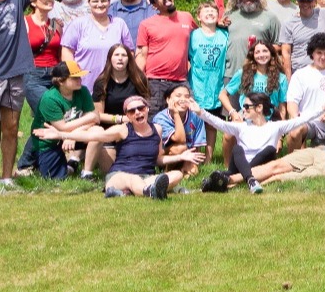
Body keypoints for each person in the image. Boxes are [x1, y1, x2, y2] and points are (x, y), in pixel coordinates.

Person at [31, 96, 200, 199]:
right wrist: (61, 135)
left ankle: (143, 189)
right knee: (132, 179)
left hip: (146, 175)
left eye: (141, 108)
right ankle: (150, 191)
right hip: (119, 176)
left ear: (147, 109)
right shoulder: (123, 130)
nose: (137, 113)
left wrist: (181, 157)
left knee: (176, 174)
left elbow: (158, 159)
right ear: (127, 116)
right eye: (132, 111)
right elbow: (93, 136)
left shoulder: (157, 129)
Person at [198, 90, 313, 193]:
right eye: (243, 106)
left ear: (259, 108)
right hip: (240, 165)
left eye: (247, 106)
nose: (243, 109)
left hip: (260, 165)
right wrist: (200, 112)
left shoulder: (275, 127)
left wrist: (323, 109)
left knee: (270, 150)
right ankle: (250, 180)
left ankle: (221, 179)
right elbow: (219, 123)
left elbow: (302, 120)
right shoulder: (242, 127)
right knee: (237, 149)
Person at [85, 43, 151, 176]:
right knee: (112, 172)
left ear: (129, 59)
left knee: (133, 172)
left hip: (133, 129)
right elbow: (98, 115)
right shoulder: (101, 82)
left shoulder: (139, 79)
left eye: (124, 55)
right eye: (116, 55)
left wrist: (133, 118)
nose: (120, 58)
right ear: (110, 58)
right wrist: (120, 119)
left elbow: (145, 107)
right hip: (109, 131)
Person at [26, 62, 98, 180]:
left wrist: (72, 136)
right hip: (49, 142)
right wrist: (88, 118)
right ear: (60, 81)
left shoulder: (83, 91)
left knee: (97, 130)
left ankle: (87, 173)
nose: (79, 80)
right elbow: (63, 127)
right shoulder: (50, 98)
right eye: (74, 78)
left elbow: (94, 120)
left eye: (80, 76)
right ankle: (71, 164)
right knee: (55, 178)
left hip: (70, 135)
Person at [19, 0, 63, 173]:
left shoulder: (56, 24)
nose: (48, 0)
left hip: (54, 74)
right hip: (33, 74)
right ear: (33, 2)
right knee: (49, 116)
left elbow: (60, 52)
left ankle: (32, 163)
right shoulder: (25, 22)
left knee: (43, 119)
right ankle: (26, 162)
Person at [61, 0, 134, 89]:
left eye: (103, 1)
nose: (99, 4)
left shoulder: (119, 24)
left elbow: (130, 51)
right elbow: (67, 51)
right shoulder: (78, 24)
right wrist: (73, 75)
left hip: (114, 85)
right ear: (88, 3)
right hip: (84, 85)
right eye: (95, 1)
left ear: (109, 2)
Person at [284, 34, 325, 148]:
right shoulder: (300, 74)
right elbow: (291, 102)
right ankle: (293, 163)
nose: (323, 57)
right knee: (295, 131)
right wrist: (296, 118)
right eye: (319, 53)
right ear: (312, 54)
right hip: (310, 123)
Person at [135, 0, 194, 103]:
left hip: (181, 81)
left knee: (186, 118)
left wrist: (219, 24)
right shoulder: (146, 24)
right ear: (154, 5)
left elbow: (204, 33)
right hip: (155, 82)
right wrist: (136, 81)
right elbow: (142, 56)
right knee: (154, 120)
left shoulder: (186, 17)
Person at [224, 0, 283, 80]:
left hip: (260, 76)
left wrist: (261, 50)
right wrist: (217, 23)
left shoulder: (270, 17)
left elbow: (280, 45)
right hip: (231, 75)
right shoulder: (228, 17)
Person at [150, 84, 211, 179]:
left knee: (193, 172)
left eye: (187, 96)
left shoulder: (196, 116)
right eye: (178, 96)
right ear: (168, 100)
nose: (183, 99)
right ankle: (166, 173)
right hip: (165, 157)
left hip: (188, 154)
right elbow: (180, 139)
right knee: (180, 148)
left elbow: (197, 145)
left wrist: (193, 163)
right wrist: (176, 113)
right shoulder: (160, 118)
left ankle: (180, 171)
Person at [220, 40, 287, 119]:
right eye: (257, 52)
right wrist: (233, 113)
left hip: (269, 121)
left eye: (265, 51)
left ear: (271, 54)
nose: (261, 55)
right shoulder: (243, 74)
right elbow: (222, 95)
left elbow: (282, 106)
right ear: (253, 56)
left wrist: (280, 126)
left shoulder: (281, 77)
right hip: (246, 120)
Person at [187, 2, 230, 116]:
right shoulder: (192, 36)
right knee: (194, 126)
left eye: (213, 11)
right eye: (206, 11)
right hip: (196, 90)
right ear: (198, 17)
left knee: (211, 127)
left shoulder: (226, 35)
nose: (210, 13)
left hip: (217, 90)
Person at [275, 0, 325, 72]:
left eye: (308, 1)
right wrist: (289, 81)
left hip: (322, 70)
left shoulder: (324, 14)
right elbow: (286, 54)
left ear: (314, 1)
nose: (305, 4)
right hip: (299, 71)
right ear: (297, 2)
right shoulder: (288, 23)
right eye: (302, 1)